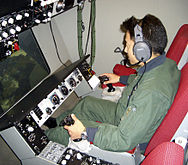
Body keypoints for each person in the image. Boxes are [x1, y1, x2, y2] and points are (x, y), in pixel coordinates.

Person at [44, 14, 181, 152]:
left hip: (128, 132)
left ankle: (44, 138)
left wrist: (85, 132)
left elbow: (122, 141)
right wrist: (120, 79)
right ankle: (57, 123)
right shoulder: (164, 64)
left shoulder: (150, 93)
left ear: (142, 50)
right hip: (124, 112)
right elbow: (142, 80)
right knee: (87, 103)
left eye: (127, 45)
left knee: (68, 131)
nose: (125, 50)